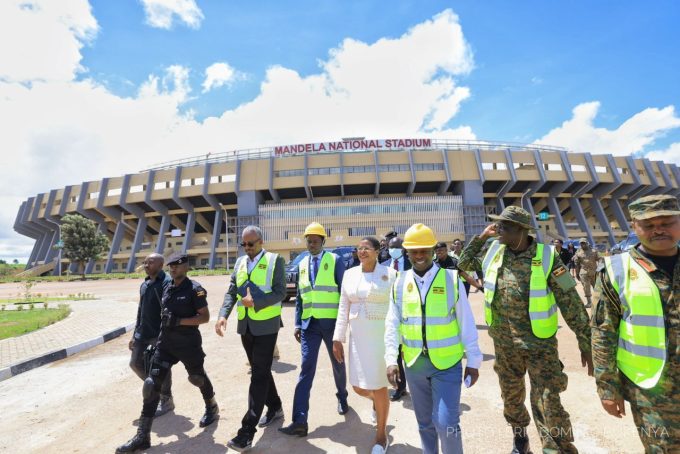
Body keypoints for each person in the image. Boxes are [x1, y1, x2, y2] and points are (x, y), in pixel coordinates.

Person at [458, 206, 593, 454]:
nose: (498, 230)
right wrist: (481, 238)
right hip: (505, 345)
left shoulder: (549, 257)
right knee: (511, 400)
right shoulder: (494, 253)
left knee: (548, 401)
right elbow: (463, 263)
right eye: (497, 226)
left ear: (521, 231)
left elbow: (571, 303)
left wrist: (586, 343)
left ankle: (558, 447)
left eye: (504, 227)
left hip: (540, 346)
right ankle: (520, 439)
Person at [591, 194, 680, 452]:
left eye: (666, 222)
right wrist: (607, 387)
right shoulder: (616, 270)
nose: (659, 230)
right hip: (651, 390)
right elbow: (602, 332)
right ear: (634, 226)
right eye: (649, 225)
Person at [385, 223, 482, 454]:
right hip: (414, 364)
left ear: (433, 251)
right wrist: (390, 358)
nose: (419, 256)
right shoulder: (399, 283)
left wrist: (474, 361)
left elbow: (465, 322)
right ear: (407, 252)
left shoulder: (451, 279)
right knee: (425, 423)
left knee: (447, 423)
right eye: (414, 251)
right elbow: (392, 324)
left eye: (424, 251)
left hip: (447, 364)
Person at [116, 253, 218, 453]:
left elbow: (204, 317)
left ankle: (211, 406)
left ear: (186, 267)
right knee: (151, 385)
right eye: (171, 266)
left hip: (188, 344)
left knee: (197, 378)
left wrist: (179, 321)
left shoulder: (194, 289)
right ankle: (142, 436)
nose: (173, 269)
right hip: (165, 345)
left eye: (177, 266)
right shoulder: (167, 288)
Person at [215, 225, 286, 452]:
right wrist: (223, 315)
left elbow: (280, 292)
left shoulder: (275, 261)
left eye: (251, 244)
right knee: (261, 370)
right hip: (246, 326)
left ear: (261, 242)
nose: (247, 248)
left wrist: (256, 302)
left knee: (258, 375)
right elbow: (232, 290)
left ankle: (247, 432)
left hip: (266, 325)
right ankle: (275, 406)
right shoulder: (240, 263)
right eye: (244, 244)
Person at [279, 222, 348, 437]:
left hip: (331, 324)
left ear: (323, 242)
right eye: (309, 241)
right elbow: (301, 297)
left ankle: (342, 396)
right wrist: (298, 323)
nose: (311, 244)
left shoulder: (335, 261)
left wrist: (342, 326)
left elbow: (344, 295)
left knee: (338, 363)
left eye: (315, 241)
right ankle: (300, 420)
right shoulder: (301, 264)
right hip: (309, 326)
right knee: (306, 369)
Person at [333, 236, 398, 454]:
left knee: (379, 386)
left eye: (366, 248)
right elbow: (343, 307)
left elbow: (397, 310)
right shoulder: (350, 274)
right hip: (358, 338)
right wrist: (337, 338)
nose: (362, 252)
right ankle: (378, 404)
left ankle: (381, 435)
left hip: (380, 337)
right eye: (359, 249)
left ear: (378, 251)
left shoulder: (390, 275)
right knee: (359, 387)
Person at [128, 253, 174, 417]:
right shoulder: (145, 283)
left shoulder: (166, 283)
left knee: (162, 367)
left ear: (161, 265)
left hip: (159, 333)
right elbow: (140, 310)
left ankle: (166, 400)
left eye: (150, 263)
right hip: (143, 332)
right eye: (145, 262)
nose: (146, 265)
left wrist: (166, 334)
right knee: (135, 364)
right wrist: (135, 334)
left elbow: (168, 311)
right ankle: (155, 387)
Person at [380, 236, 411, 402]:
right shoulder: (384, 266)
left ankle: (422, 386)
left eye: (396, 247)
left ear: (403, 248)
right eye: (391, 247)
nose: (392, 250)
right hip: (392, 314)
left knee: (413, 352)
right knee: (396, 353)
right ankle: (400, 387)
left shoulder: (412, 264)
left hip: (410, 313)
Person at [574, 238, 600, 308]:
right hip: (584, 272)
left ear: (587, 243)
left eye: (584, 243)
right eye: (581, 243)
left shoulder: (594, 251)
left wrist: (600, 270)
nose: (583, 245)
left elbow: (600, 260)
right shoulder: (578, 252)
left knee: (597, 287)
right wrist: (576, 273)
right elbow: (576, 263)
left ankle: (599, 301)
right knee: (586, 287)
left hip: (594, 272)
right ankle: (589, 302)